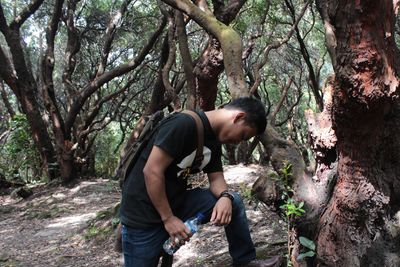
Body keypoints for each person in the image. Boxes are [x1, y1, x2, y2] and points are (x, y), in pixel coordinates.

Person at [119, 97, 281, 267]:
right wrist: (168, 219)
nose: (238, 141)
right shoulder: (183, 124)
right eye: (243, 135)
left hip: (176, 204)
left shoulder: (213, 141)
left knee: (234, 201)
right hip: (142, 217)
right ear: (238, 117)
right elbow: (152, 171)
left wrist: (226, 196)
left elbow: (216, 179)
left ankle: (244, 261)